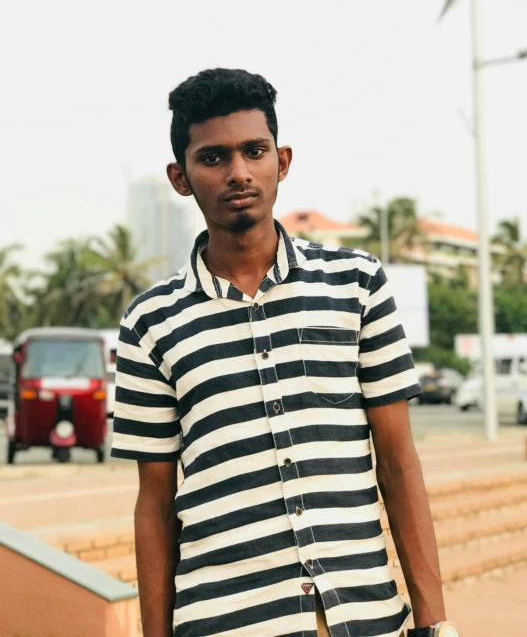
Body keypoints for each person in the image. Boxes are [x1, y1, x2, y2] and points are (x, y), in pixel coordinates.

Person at [110, 68, 459, 637]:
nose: (239, 172)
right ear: (180, 177)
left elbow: (398, 462)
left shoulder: (356, 285)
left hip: (364, 617)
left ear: (284, 161)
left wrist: (434, 623)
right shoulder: (151, 322)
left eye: (255, 151)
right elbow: (155, 503)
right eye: (213, 158)